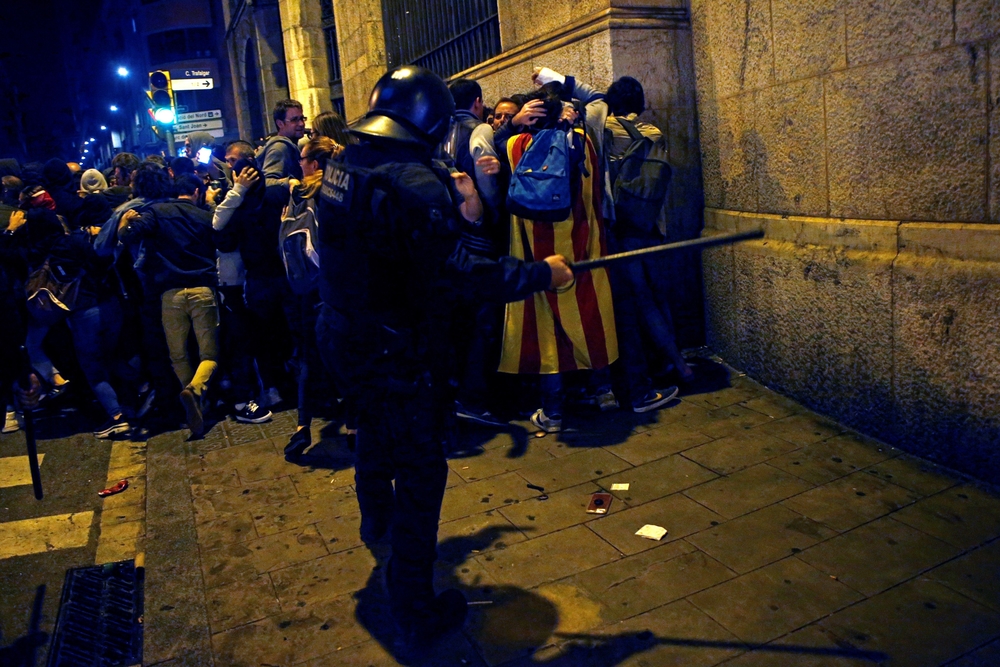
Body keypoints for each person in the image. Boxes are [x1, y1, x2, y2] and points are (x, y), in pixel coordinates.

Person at [314, 65, 573, 659]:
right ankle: (414, 607)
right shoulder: (412, 180)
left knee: (374, 434)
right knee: (423, 470)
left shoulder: (345, 162)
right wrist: (540, 273)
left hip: (344, 334)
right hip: (393, 348)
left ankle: (375, 524)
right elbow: (456, 274)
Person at [497, 82, 620, 432]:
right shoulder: (585, 144)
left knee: (545, 327)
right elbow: (596, 101)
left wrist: (515, 122)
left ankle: (553, 412)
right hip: (584, 246)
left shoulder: (516, 146)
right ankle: (604, 392)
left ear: (533, 117)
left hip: (538, 255)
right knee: (591, 314)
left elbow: (492, 146)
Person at [119, 173, 219, 436]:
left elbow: (129, 235)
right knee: (209, 354)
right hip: (203, 290)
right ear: (197, 191)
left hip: (169, 294)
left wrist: (124, 222)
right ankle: (196, 391)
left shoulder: (155, 212)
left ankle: (190, 399)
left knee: (178, 355)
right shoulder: (204, 216)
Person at [281, 136, 339, 459]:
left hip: (306, 287)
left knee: (307, 357)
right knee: (344, 355)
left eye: (303, 159)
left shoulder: (297, 195)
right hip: (335, 285)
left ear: (314, 163)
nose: (299, 163)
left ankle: (302, 426)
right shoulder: (337, 192)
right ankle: (356, 427)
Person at [258, 99, 306, 188]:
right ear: (280, 124)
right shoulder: (280, 147)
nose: (301, 124)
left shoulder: (289, 145)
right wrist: (290, 182)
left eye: (302, 118)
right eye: (294, 120)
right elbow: (267, 182)